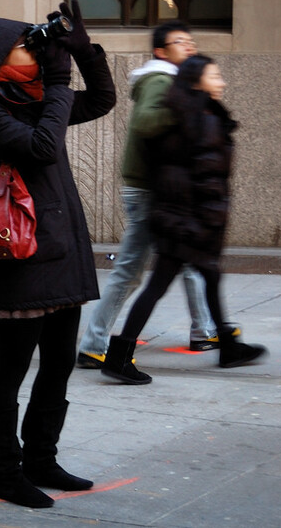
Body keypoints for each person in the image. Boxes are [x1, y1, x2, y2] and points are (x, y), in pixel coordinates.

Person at [0, 0, 115, 508]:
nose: (36, 52)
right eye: (25, 47)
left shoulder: (33, 100)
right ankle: (5, 471)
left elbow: (103, 100)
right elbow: (44, 147)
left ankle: (41, 458)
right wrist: (55, 82)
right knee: (12, 367)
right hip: (22, 256)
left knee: (58, 364)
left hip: (62, 250)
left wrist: (83, 51)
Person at [102, 55, 267, 385]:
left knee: (210, 276)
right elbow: (206, 177)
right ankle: (118, 356)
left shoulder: (191, 114)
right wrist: (207, 222)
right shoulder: (201, 119)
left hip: (183, 218)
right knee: (157, 287)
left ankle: (228, 345)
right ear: (197, 82)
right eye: (215, 76)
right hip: (189, 222)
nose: (222, 81)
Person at [76, 21, 217, 370]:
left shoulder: (172, 81)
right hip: (151, 190)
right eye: (179, 41)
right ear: (161, 51)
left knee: (184, 259)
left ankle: (205, 329)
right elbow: (146, 123)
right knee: (130, 271)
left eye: (191, 41)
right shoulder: (160, 80)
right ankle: (94, 344)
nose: (189, 46)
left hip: (159, 188)